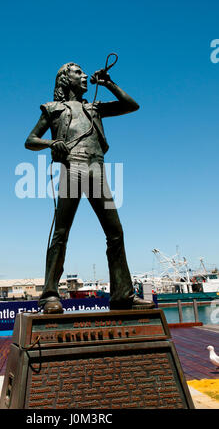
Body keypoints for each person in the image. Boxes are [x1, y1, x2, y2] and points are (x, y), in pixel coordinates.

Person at [25, 61, 155, 313]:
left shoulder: (94, 107)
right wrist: (51, 143)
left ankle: (122, 296)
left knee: (115, 231)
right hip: (72, 168)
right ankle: (50, 295)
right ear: (65, 79)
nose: (84, 76)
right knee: (61, 233)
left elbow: (131, 105)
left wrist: (108, 83)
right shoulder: (52, 108)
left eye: (84, 73)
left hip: (97, 170)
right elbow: (30, 140)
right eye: (78, 72)